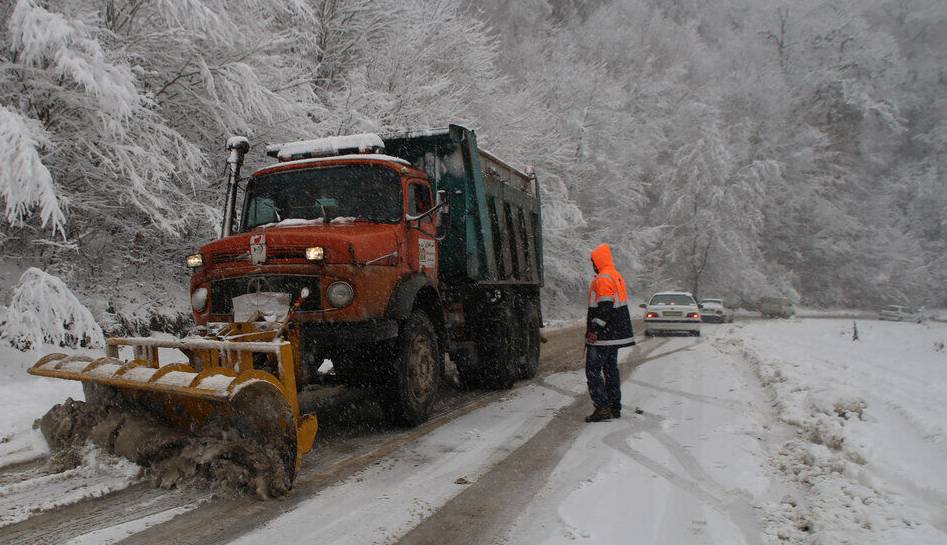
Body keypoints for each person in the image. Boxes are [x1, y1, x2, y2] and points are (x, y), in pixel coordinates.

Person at [584, 243, 635, 422]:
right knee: (610, 369)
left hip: (604, 336)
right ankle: (614, 406)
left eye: (593, 261)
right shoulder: (616, 275)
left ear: (599, 260)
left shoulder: (603, 278)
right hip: (614, 334)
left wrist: (595, 329)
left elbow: (605, 307)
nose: (592, 264)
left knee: (593, 370)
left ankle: (602, 407)